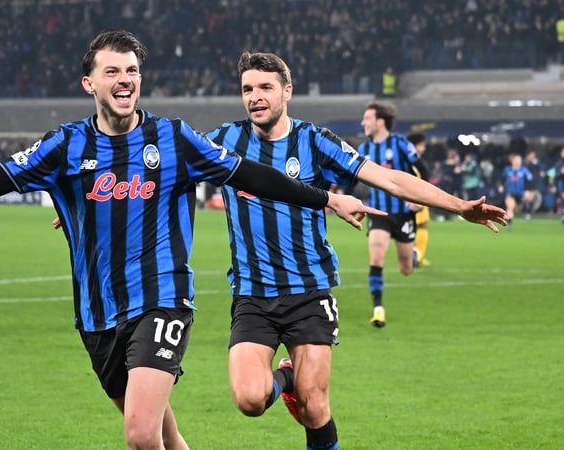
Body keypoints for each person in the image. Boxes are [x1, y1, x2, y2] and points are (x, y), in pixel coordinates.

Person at [0, 30, 382, 450]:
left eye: (132, 71)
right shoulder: (65, 146)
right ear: (90, 84)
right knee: (166, 437)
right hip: (97, 315)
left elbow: (250, 174)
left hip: (162, 300)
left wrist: (324, 198)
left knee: (141, 435)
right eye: (113, 71)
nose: (125, 80)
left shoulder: (173, 138)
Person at [205, 53, 507, 449]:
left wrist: (459, 206)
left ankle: (302, 387)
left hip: (308, 290)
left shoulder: (314, 141)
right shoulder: (222, 142)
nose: (255, 97)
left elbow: (389, 179)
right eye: (247, 89)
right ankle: (288, 377)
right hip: (252, 293)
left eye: (265, 87)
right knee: (250, 400)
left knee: (314, 407)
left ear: (287, 91)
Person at [359, 101, 430, 328]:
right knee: (376, 258)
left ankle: (415, 256)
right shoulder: (363, 150)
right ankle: (378, 310)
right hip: (379, 212)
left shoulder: (400, 143)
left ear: (380, 121)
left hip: (403, 214)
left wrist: (419, 199)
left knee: (406, 269)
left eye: (367, 118)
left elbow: (424, 171)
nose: (363, 122)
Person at [406, 133, 431, 267]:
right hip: (417, 198)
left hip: (410, 198)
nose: (424, 148)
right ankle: (417, 254)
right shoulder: (414, 161)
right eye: (421, 145)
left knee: (412, 227)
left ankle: (416, 255)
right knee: (421, 226)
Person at [500, 153, 534, 229]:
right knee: (510, 207)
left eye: (519, 160)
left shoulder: (524, 170)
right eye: (516, 160)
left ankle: (528, 212)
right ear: (513, 161)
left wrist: (529, 191)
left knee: (529, 196)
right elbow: (502, 179)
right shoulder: (507, 170)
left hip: (521, 193)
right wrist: (501, 186)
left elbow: (530, 180)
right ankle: (509, 223)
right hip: (511, 193)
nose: (518, 162)